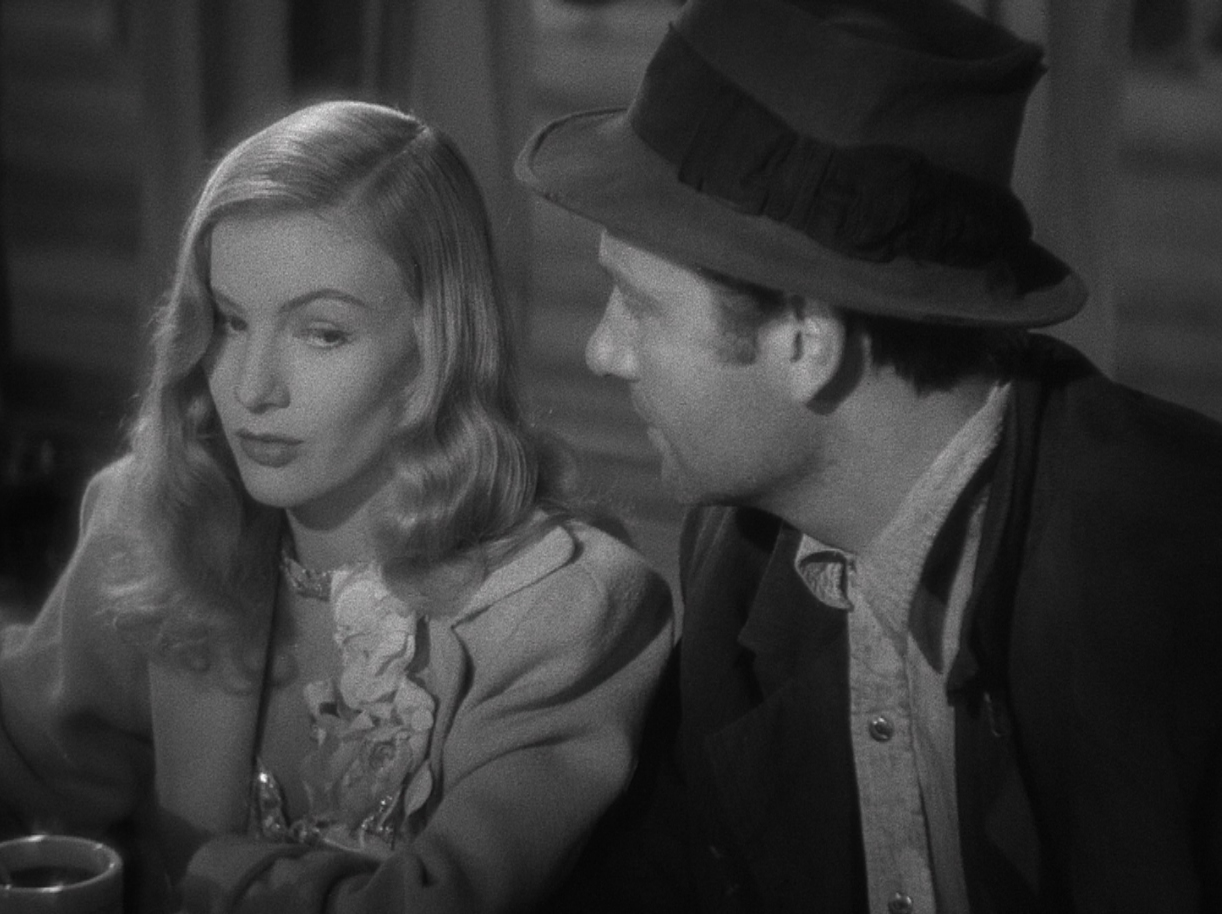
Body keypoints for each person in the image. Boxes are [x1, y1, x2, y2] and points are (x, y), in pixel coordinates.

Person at [516, 0, 1222, 911]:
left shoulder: (1174, 581)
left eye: (639, 305)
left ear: (806, 340)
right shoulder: (740, 556)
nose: (601, 352)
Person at [0, 100, 674, 913]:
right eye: (230, 322)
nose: (252, 388)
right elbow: (5, 787)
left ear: (435, 347)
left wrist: (193, 871)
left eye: (323, 333)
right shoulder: (156, 516)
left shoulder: (566, 608)